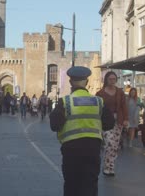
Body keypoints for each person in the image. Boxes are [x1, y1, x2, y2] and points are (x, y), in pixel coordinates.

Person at [49, 66, 114, 196]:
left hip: (71, 149)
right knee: (90, 183)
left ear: (70, 83)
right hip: (92, 148)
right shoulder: (99, 102)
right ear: (87, 82)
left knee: (71, 184)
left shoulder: (65, 102)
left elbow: (54, 125)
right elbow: (109, 123)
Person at [96, 71, 128, 177]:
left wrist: (126, 119)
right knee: (109, 143)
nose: (112, 81)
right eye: (110, 79)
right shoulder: (100, 93)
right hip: (105, 121)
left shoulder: (120, 92)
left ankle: (110, 167)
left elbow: (124, 106)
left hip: (118, 120)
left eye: (114, 79)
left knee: (115, 145)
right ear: (106, 80)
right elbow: (98, 109)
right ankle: (107, 167)